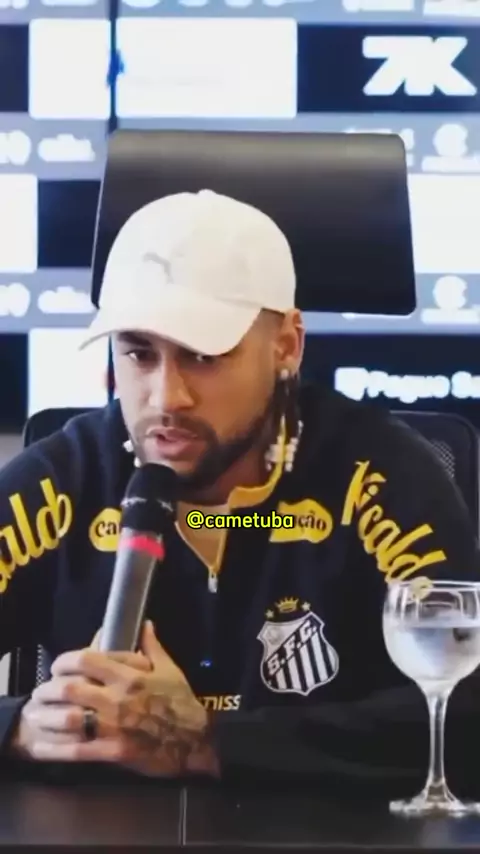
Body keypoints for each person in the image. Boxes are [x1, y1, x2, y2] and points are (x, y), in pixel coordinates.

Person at [0, 189, 480, 795]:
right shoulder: (62, 481)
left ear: (287, 346)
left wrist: (206, 741)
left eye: (204, 356)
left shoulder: (379, 474)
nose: (166, 397)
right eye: (139, 354)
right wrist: (18, 727)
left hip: (325, 832)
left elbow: (467, 712)